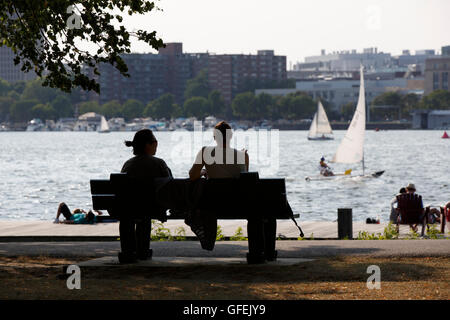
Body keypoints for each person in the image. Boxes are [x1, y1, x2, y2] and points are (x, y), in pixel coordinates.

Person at [119, 129, 172, 263]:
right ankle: (143, 251)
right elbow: (171, 185)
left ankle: (128, 251)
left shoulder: (128, 164)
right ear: (148, 145)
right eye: (154, 142)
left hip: (128, 208)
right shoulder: (159, 163)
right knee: (145, 210)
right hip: (153, 207)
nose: (156, 144)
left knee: (130, 211)